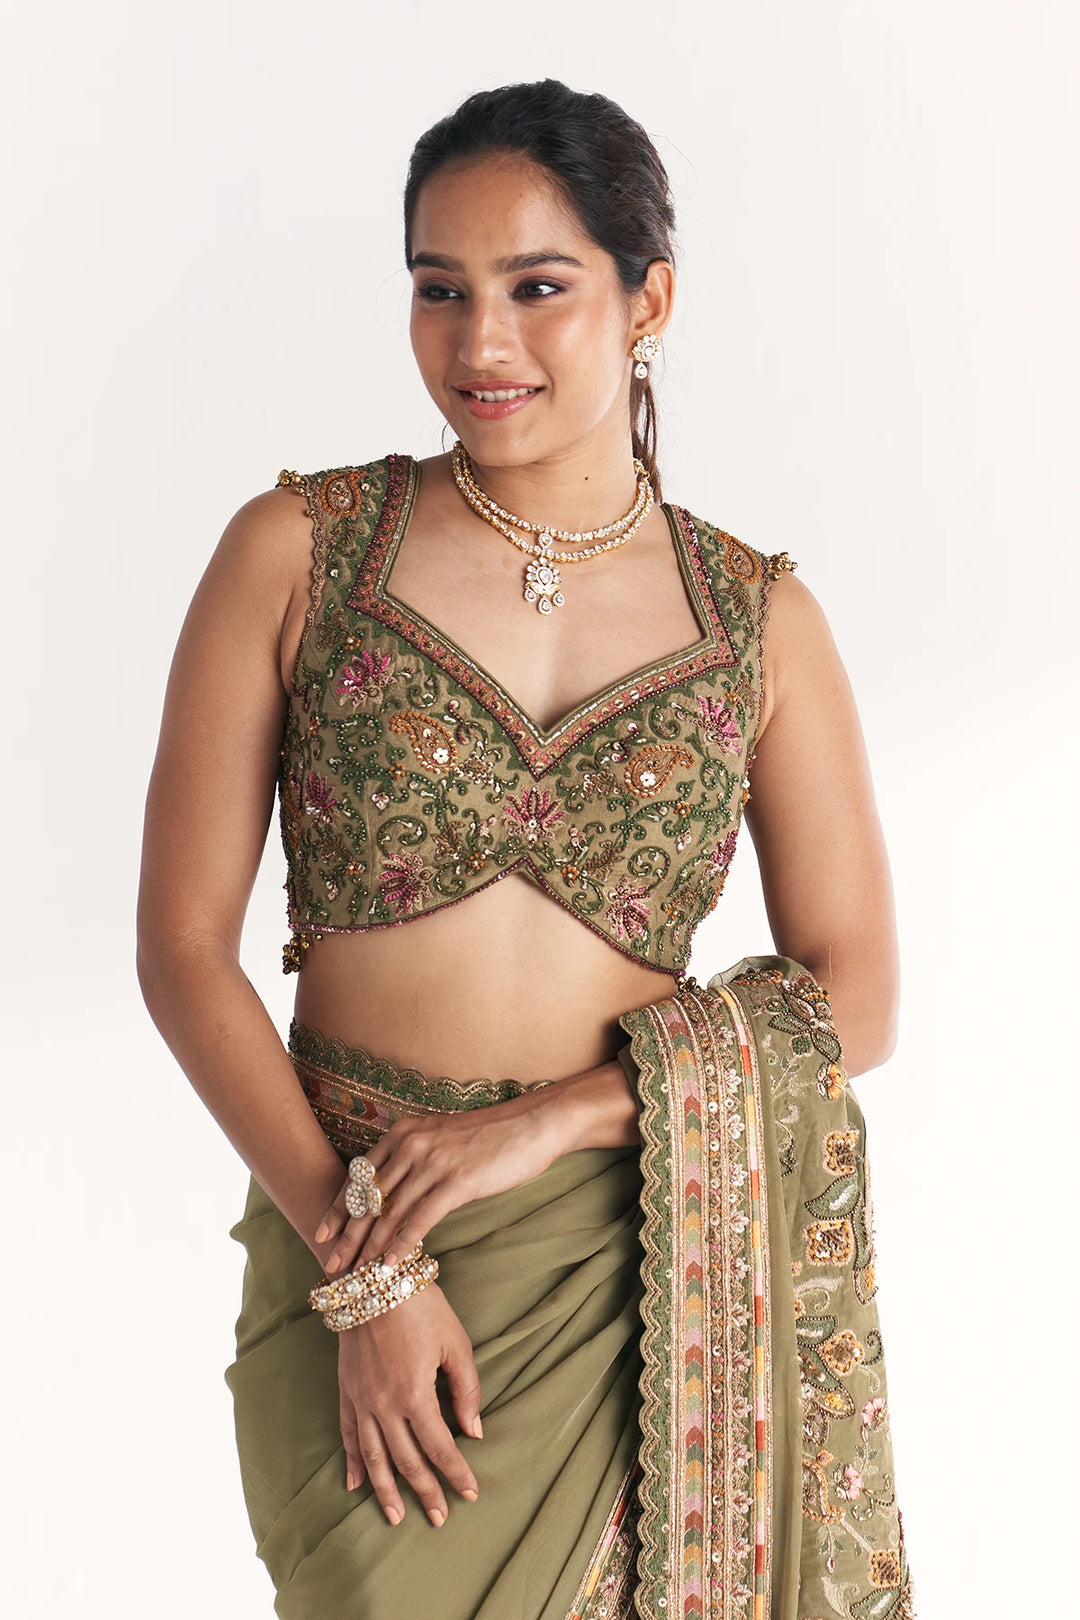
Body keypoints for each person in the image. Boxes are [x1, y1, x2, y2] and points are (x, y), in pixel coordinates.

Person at [137, 78, 915, 1620]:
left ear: (650, 300)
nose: (480, 345)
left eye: (537, 288)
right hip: (346, 1222)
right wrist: (365, 1268)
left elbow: (860, 996)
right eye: (440, 291)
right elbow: (179, 950)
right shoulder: (301, 552)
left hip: (624, 1270)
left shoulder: (758, 622)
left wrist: (551, 1123)